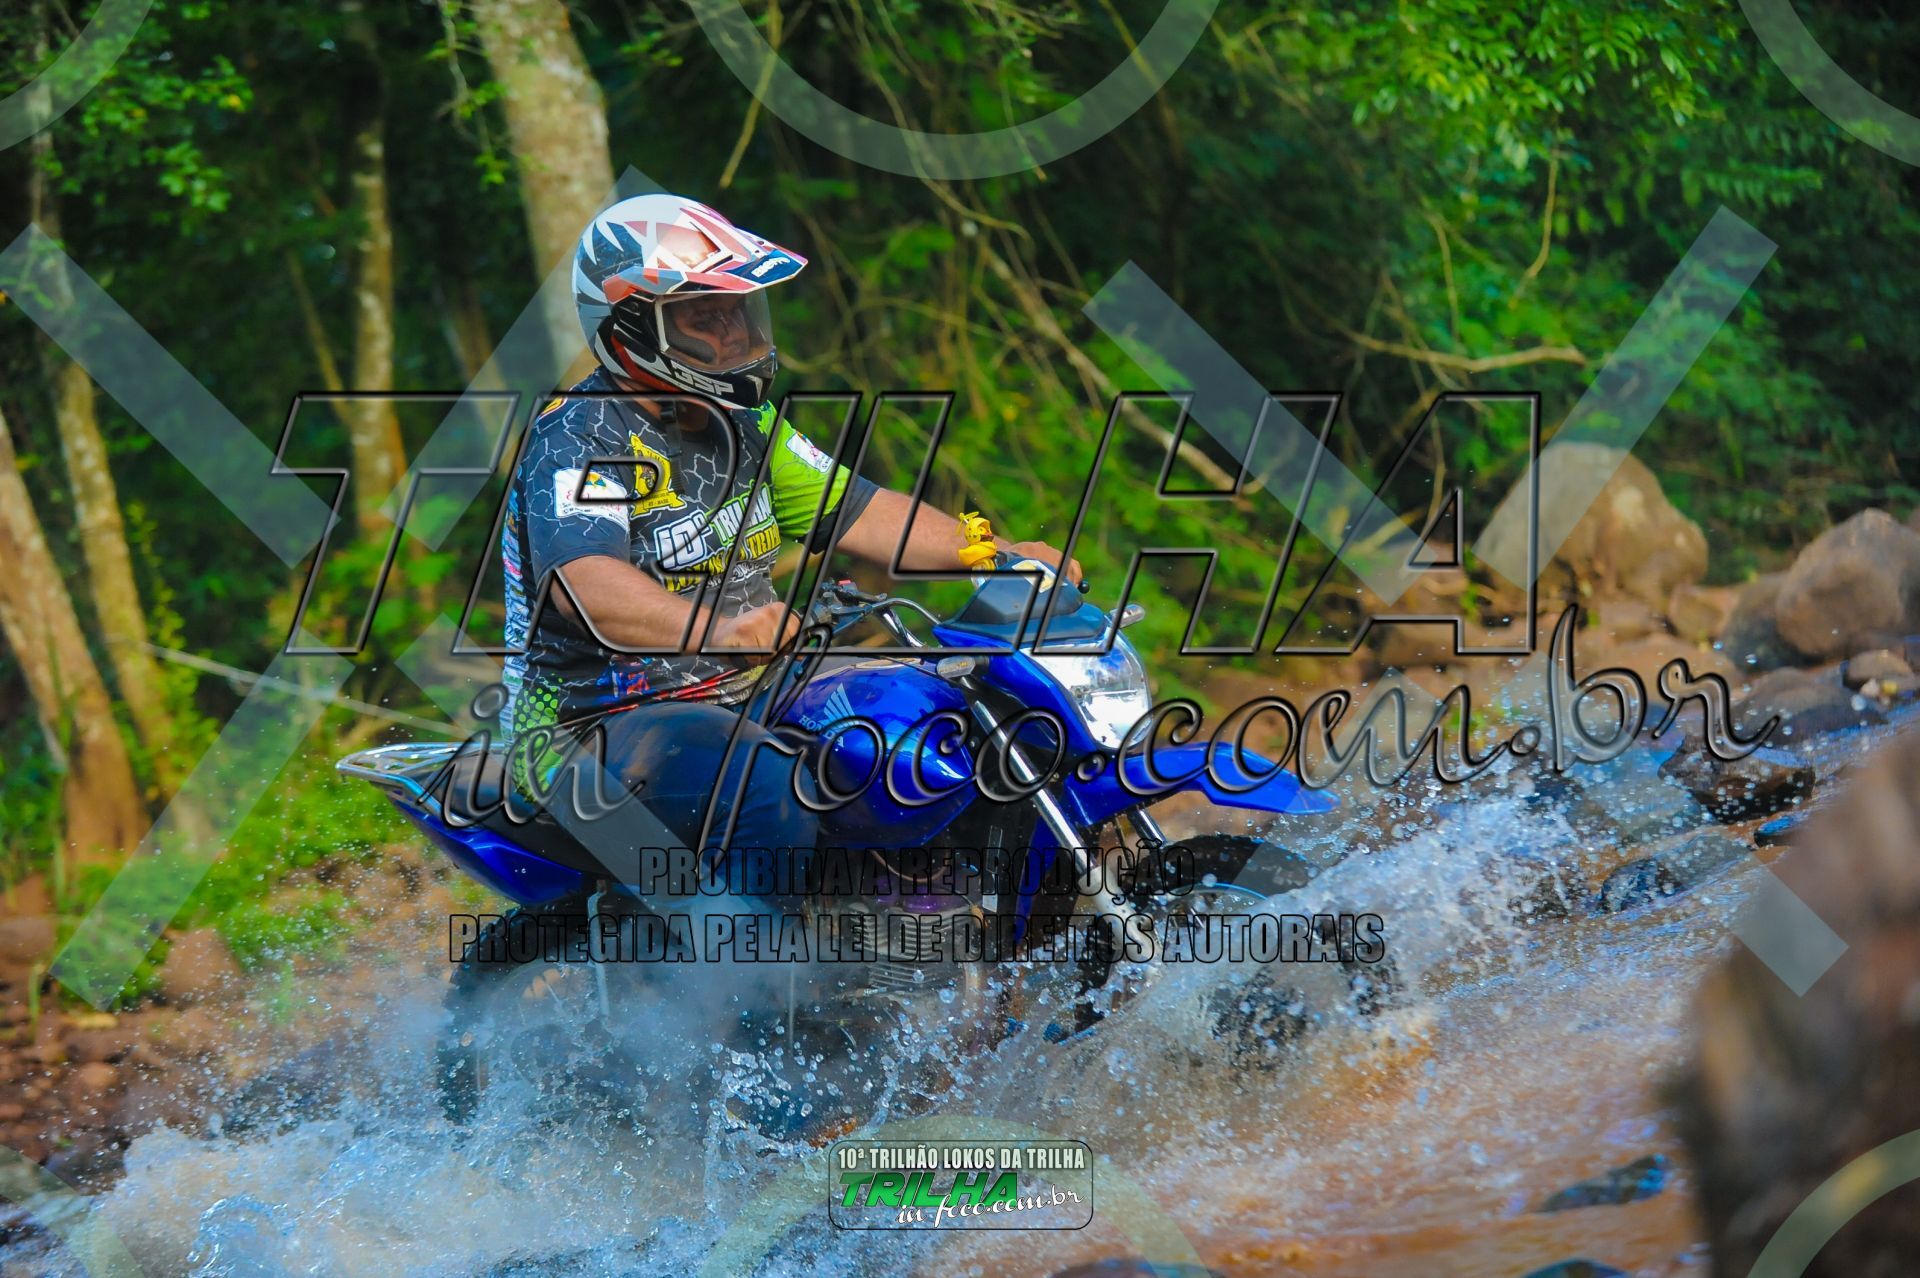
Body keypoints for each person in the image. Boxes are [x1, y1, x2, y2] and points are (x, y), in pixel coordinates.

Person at [497, 192, 1079, 889]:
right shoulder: (581, 434)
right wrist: (722, 631)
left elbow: (861, 512)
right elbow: (585, 584)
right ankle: (753, 963)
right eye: (703, 316)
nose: (734, 334)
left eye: (738, 311)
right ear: (631, 326)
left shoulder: (744, 421)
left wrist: (995, 553)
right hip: (588, 727)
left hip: (747, 696)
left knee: (935, 728)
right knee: (768, 784)